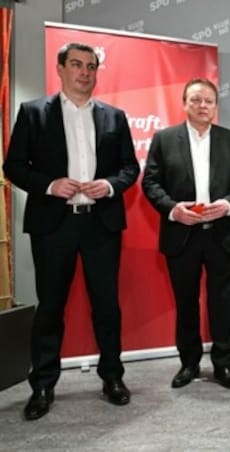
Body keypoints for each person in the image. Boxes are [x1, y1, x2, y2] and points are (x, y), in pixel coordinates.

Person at [3, 42, 140, 420]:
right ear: (60, 68)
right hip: (54, 224)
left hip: (101, 223)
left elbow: (130, 168)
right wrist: (49, 185)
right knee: (50, 307)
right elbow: (13, 165)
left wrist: (109, 185)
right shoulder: (34, 113)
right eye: (77, 65)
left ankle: (112, 377)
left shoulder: (115, 116)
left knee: (107, 307)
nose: (84, 72)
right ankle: (43, 385)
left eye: (91, 66)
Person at [141, 78, 230, 390]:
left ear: (216, 106)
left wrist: (228, 205)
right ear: (184, 103)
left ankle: (223, 364)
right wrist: (174, 209)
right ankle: (189, 364)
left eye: (208, 101)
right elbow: (150, 183)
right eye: (196, 100)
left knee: (221, 300)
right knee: (186, 301)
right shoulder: (164, 139)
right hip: (181, 234)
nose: (202, 106)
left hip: (220, 233)